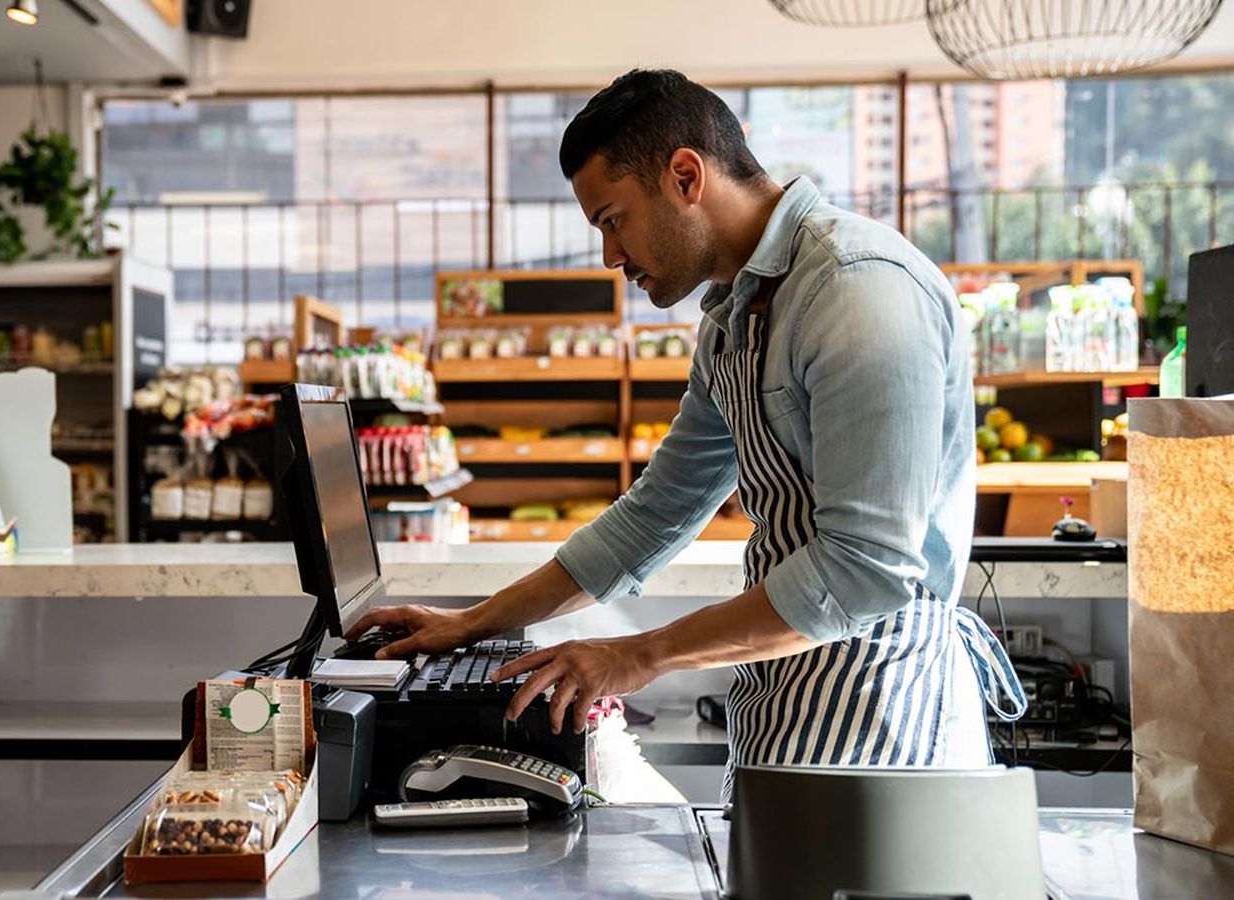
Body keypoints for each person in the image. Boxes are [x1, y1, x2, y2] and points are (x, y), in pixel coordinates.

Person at [347, 68, 1026, 796]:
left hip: (885, 730)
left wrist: (640, 655)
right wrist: (471, 624)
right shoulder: (734, 318)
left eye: (613, 219)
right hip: (784, 701)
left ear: (684, 176)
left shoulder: (856, 289)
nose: (611, 256)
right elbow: (654, 515)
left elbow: (865, 569)